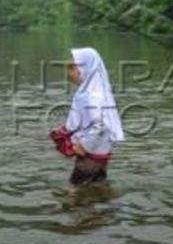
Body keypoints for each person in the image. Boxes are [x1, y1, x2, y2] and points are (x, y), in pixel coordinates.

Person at [50, 48, 124, 188]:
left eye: (72, 67)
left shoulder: (93, 95)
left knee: (73, 191)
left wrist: (84, 145)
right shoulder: (91, 91)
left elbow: (101, 125)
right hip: (99, 154)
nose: (69, 73)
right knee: (97, 189)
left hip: (91, 156)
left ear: (87, 69)